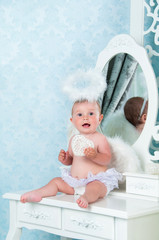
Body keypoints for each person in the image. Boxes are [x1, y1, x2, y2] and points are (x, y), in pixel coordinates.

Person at [20, 100, 122, 208]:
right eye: (79, 114)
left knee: (94, 188)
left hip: (96, 181)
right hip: (74, 184)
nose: (85, 117)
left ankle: (86, 198)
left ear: (100, 119)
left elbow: (107, 159)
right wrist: (65, 158)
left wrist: (95, 156)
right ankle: (38, 193)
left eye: (91, 113)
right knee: (56, 182)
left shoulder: (100, 138)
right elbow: (71, 160)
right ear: (72, 121)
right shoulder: (74, 139)